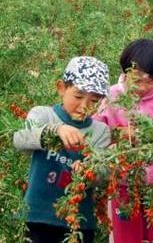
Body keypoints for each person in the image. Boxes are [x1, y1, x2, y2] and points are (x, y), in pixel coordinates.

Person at [13, 56, 111, 243]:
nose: (84, 106)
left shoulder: (100, 132)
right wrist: (55, 130)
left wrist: (90, 171)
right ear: (61, 88)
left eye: (94, 100)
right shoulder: (43, 115)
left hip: (78, 224)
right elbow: (19, 139)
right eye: (78, 96)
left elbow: (104, 174)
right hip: (36, 217)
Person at [94, 39, 153, 243]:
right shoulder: (110, 96)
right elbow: (97, 134)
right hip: (123, 184)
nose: (143, 87)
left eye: (150, 81)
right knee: (124, 237)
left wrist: (147, 143)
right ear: (125, 72)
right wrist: (122, 138)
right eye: (137, 80)